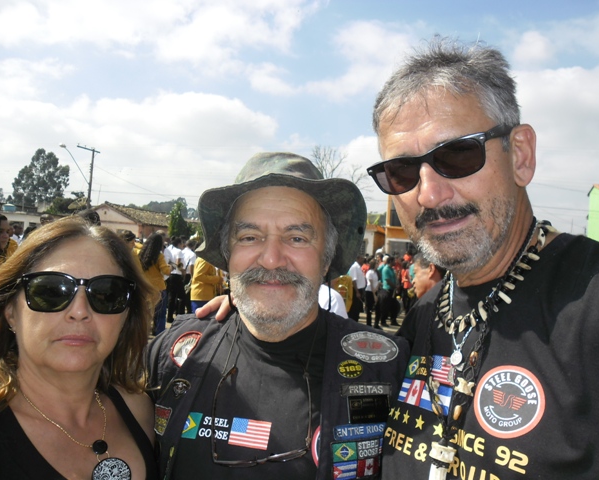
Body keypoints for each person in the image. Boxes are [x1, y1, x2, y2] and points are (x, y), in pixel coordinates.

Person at [366, 37, 599, 479]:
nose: (429, 194)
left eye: (457, 154)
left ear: (521, 156)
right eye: (401, 171)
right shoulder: (425, 315)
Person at [147, 152, 408, 479]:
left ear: (326, 259)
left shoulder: (388, 370)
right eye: (249, 237)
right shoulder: (171, 355)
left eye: (297, 238)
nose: (271, 259)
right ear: (228, 255)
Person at [0, 216, 158, 479]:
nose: (80, 311)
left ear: (126, 316)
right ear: (11, 312)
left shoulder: (141, 412)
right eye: (51, 291)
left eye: (106, 294)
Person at [139, 233, 172, 336]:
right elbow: (166, 271)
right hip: (158, 288)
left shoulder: (140, 254)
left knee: (146, 313)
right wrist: (170, 267)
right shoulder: (159, 256)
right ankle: (159, 334)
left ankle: (143, 333)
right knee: (160, 314)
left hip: (145, 287)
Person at [165, 237, 185, 323]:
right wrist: (183, 271)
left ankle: (169, 316)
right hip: (177, 274)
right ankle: (180, 316)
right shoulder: (179, 251)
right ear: (179, 244)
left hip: (170, 274)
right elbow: (178, 263)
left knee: (171, 297)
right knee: (182, 296)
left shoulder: (168, 250)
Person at [347, 255, 366, 321]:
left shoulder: (359, 267)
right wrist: (357, 292)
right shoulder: (354, 267)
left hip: (360, 289)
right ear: (358, 258)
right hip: (355, 290)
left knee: (357, 308)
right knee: (354, 308)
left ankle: (355, 319)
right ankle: (352, 320)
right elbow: (353, 280)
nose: (363, 260)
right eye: (362, 258)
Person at [364, 259, 379, 328]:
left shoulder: (375, 272)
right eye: (376, 264)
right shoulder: (369, 272)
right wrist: (374, 295)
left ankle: (375, 323)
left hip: (375, 290)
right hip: (370, 291)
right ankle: (368, 324)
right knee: (369, 308)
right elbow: (371, 284)